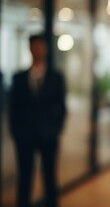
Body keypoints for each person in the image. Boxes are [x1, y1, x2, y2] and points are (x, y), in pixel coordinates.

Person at [9, 34, 67, 207]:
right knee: (24, 177)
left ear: (46, 49)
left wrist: (56, 129)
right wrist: (16, 133)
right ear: (29, 48)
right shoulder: (19, 78)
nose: (38, 50)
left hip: (48, 135)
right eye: (35, 46)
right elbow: (14, 108)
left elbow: (62, 107)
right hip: (24, 136)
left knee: (49, 176)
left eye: (41, 46)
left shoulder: (55, 77)